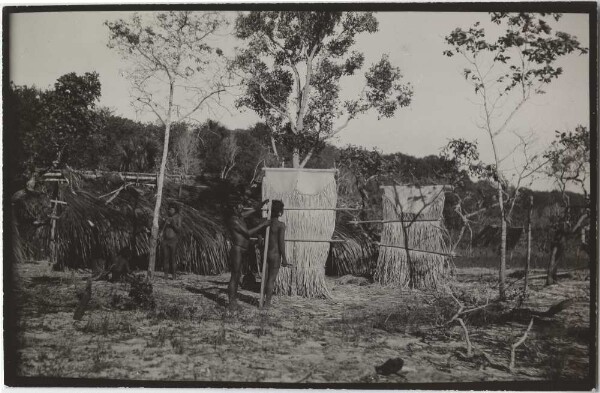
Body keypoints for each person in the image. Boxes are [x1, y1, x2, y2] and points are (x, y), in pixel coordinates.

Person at [226, 197, 270, 309]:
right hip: (237, 249)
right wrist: (262, 225)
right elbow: (247, 233)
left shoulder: (240, 217)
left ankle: (233, 299)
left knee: (237, 275)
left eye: (242, 205)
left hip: (241, 249)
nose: (242, 207)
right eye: (240, 206)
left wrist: (262, 203)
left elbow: (254, 210)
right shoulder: (234, 220)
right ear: (234, 208)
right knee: (234, 275)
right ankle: (231, 301)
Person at [264, 200, 292, 308]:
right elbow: (281, 243)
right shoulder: (280, 225)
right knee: (271, 279)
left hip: (266, 253)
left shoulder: (266, 223)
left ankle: (264, 299)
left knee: (265, 278)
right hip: (275, 255)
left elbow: (261, 237)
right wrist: (284, 259)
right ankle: (267, 303)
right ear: (280, 212)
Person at [161, 203, 182, 280]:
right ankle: (165, 275)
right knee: (165, 258)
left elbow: (179, 230)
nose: (170, 210)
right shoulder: (167, 217)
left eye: (172, 209)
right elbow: (162, 228)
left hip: (173, 240)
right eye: (169, 209)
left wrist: (173, 224)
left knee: (173, 258)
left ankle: (174, 275)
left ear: (175, 210)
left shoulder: (178, 217)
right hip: (165, 240)